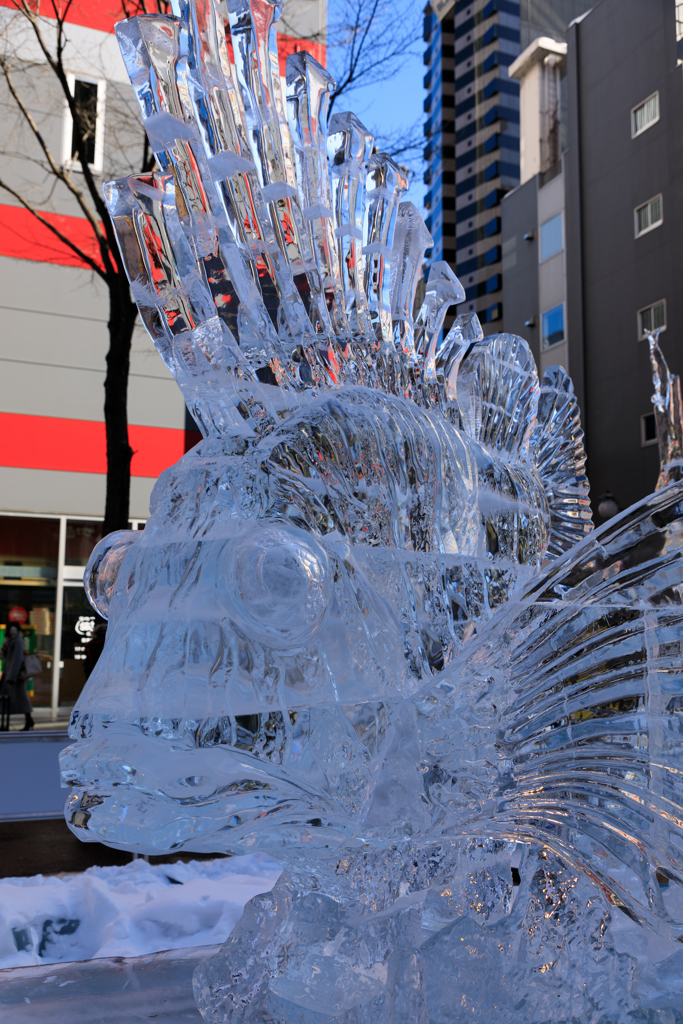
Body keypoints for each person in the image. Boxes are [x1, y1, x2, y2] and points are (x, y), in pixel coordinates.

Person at [0, 624, 33, 730]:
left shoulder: (17, 641)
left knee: (20, 699)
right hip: (9, 674)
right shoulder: (9, 641)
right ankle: (28, 721)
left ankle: (28, 721)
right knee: (8, 699)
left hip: (14, 676)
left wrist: (12, 676)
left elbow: (17, 659)